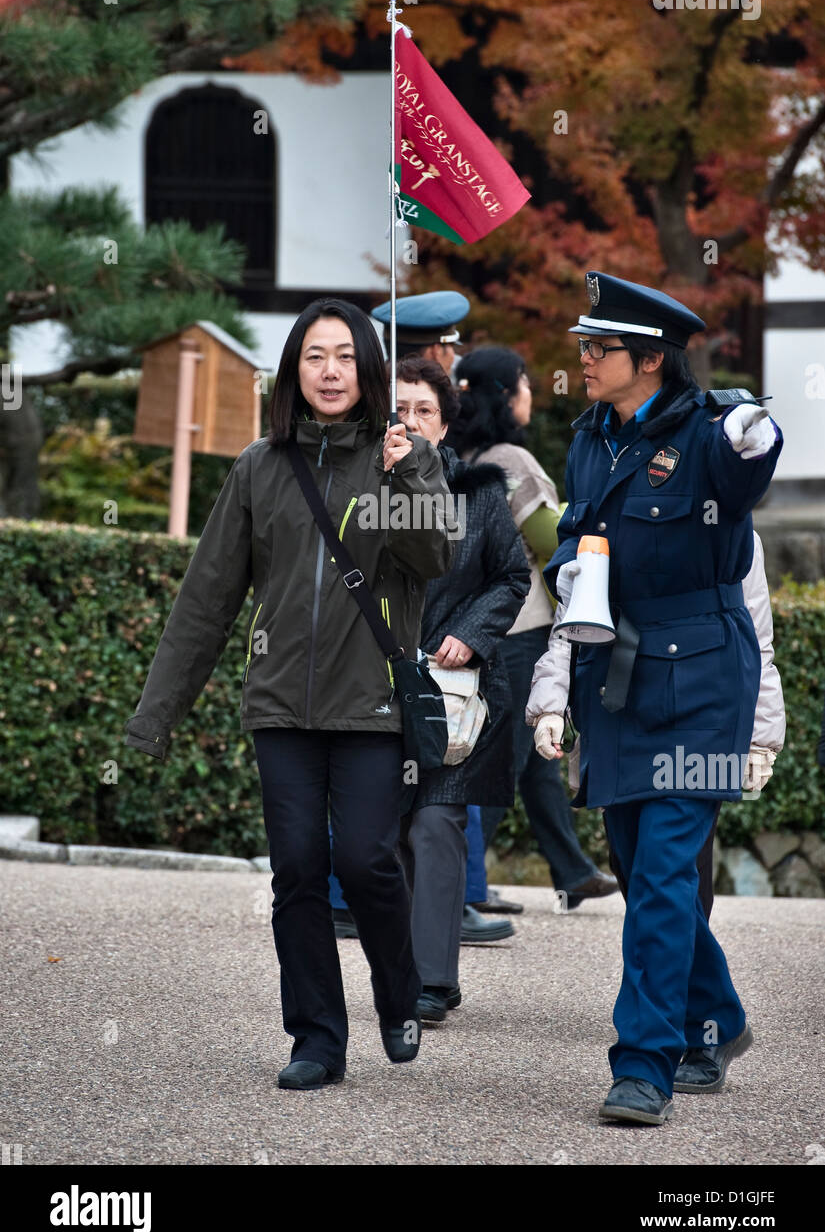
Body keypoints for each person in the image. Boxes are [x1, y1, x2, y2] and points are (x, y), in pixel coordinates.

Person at [123, 297, 455, 1091]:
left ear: (368, 368)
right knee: (298, 868)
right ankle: (316, 1039)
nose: (330, 370)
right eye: (314, 356)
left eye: (344, 355)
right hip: (280, 706)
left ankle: (399, 994)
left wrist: (404, 469)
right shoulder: (259, 467)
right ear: (293, 370)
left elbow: (434, 555)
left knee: (369, 859)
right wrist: (153, 717)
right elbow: (206, 601)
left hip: (370, 701)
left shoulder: (400, 458)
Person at [527, 269, 783, 1125]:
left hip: (704, 677)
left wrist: (757, 429)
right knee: (644, 875)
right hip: (619, 672)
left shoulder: (712, 433)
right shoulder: (591, 436)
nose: (583, 362)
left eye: (596, 350)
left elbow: (750, 460)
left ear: (647, 360)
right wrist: (571, 568)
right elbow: (574, 533)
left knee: (669, 874)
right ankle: (718, 1016)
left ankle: (644, 1063)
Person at [447, 345, 619, 908]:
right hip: (520, 630)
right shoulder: (511, 462)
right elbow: (552, 542)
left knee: (533, 760)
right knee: (505, 758)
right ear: (504, 394)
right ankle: (462, 887)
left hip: (476, 624)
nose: (530, 392)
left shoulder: (459, 455)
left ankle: (572, 871)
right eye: (522, 381)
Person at [392, 357, 531, 1020]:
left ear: (445, 425)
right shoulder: (356, 493)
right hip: (369, 684)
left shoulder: (479, 494)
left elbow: (511, 576)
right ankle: (399, 963)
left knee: (436, 822)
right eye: (397, 409)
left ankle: (431, 980)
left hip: (451, 690)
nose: (408, 421)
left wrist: (472, 632)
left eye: (422, 410)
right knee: (379, 833)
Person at [372, 289, 468, 383]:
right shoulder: (444, 396)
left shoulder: (371, 390)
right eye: (451, 346)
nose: (454, 356)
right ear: (436, 351)